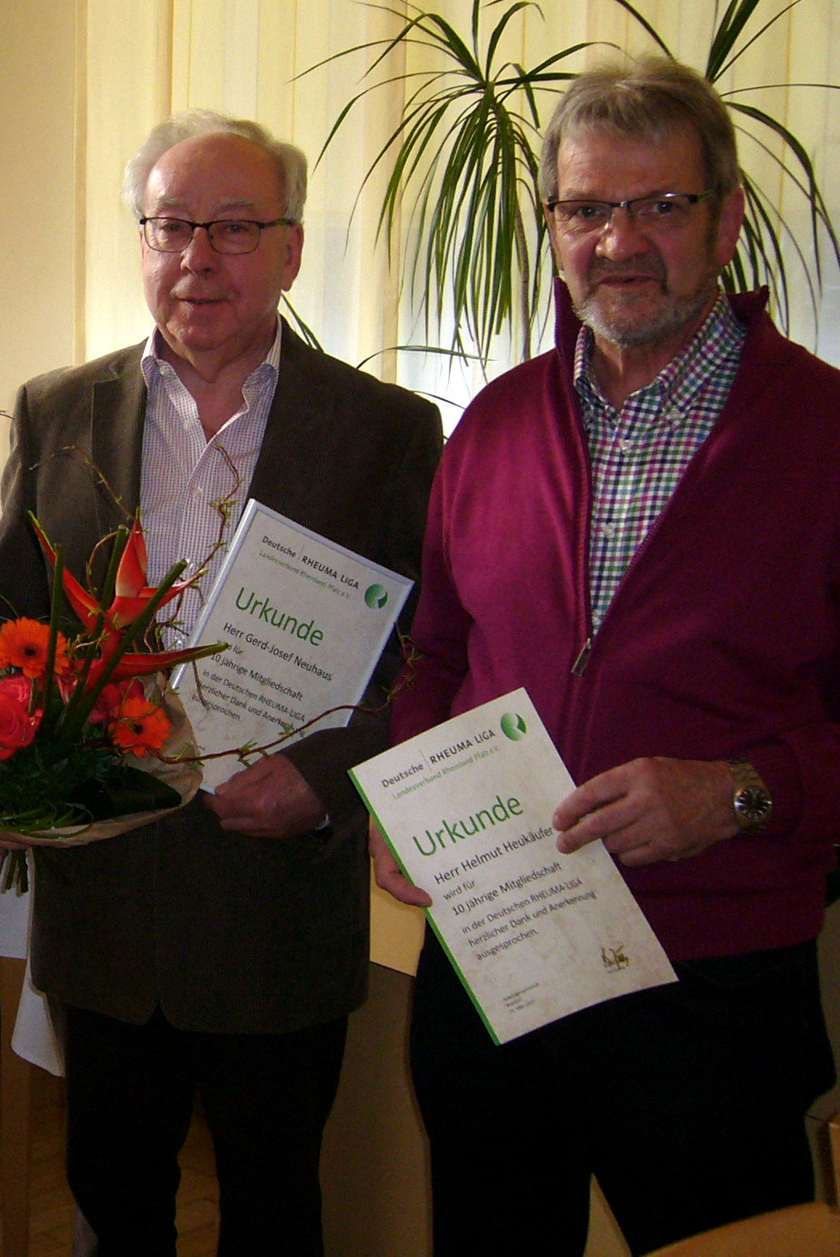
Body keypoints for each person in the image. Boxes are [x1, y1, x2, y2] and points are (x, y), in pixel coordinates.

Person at [372, 55, 840, 1256]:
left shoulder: (822, 433)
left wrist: (738, 793)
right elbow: (437, 653)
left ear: (726, 220)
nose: (617, 241)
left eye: (658, 205)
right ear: (552, 228)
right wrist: (406, 793)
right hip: (495, 961)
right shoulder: (493, 423)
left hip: (714, 991)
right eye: (585, 208)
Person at [0, 111, 442, 1254]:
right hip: (108, 899)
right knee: (112, 1203)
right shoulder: (58, 410)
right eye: (171, 225)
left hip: (276, 899)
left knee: (275, 1208)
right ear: (140, 243)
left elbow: (431, 655)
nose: (197, 257)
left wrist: (327, 782)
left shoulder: (385, 432)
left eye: (233, 228)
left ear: (288, 251)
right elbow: (7, 621)